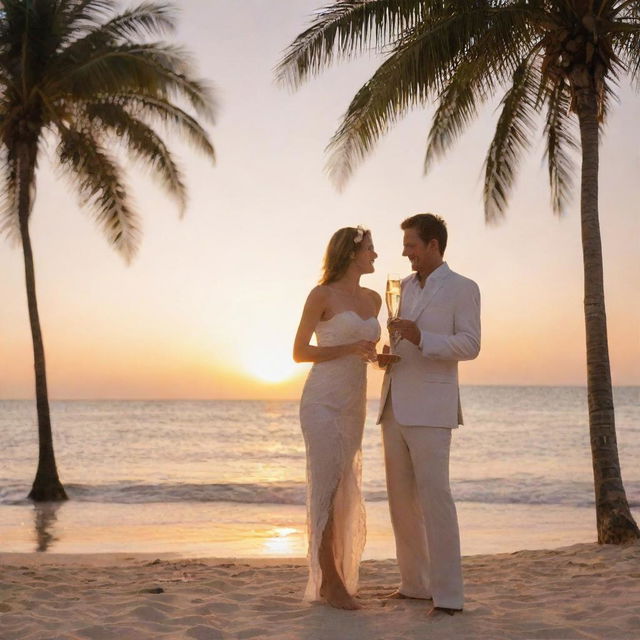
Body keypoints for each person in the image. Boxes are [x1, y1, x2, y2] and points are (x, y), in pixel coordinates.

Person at [378, 213, 480, 617]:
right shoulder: (399, 287)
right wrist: (387, 355)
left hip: (433, 410)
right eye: (405, 245)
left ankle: (449, 596)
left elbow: (470, 344)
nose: (405, 253)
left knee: (436, 500)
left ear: (434, 245)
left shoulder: (463, 288)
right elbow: (397, 339)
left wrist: (425, 339)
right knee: (400, 501)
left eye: (412, 246)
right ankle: (414, 584)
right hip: (392, 405)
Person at [293, 226, 381, 610]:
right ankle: (330, 582)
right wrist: (348, 347)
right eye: (370, 249)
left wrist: (379, 357)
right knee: (326, 487)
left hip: (353, 402)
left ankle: (339, 575)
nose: (375, 255)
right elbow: (299, 352)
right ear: (350, 254)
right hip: (322, 401)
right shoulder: (321, 295)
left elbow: (366, 352)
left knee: (344, 486)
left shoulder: (375, 299)